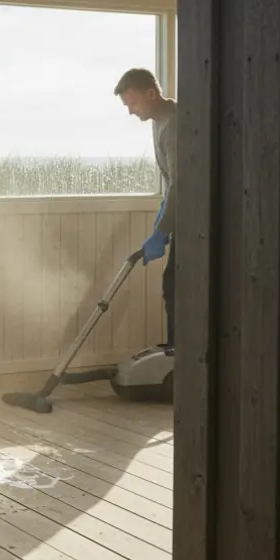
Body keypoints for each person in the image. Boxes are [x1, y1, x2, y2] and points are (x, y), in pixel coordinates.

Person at [114, 67, 176, 349]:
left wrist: (162, 230)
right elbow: (171, 179)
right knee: (173, 286)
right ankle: (176, 353)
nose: (130, 112)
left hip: (200, 220)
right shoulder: (156, 121)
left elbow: (183, 184)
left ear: (151, 93)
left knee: (178, 287)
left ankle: (180, 356)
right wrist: (164, 212)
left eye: (133, 104)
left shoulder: (176, 124)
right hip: (180, 213)